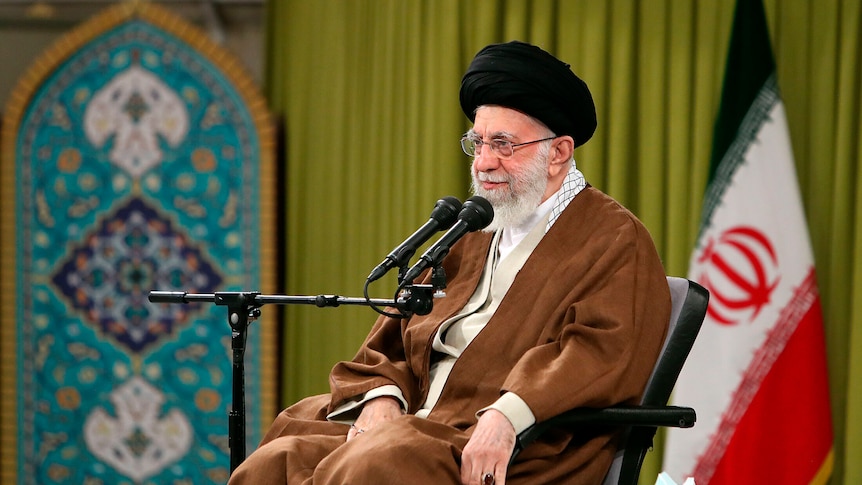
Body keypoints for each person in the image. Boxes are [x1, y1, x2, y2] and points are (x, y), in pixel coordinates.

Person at [228, 40, 670, 485]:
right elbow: (396, 337)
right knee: (279, 456)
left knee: (377, 462)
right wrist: (382, 397)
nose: (483, 163)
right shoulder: (472, 228)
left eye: (502, 144)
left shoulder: (613, 237)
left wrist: (507, 417)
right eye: (477, 143)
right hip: (421, 422)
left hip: (519, 446)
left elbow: (599, 354)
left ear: (558, 153)